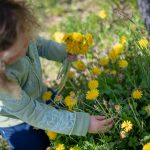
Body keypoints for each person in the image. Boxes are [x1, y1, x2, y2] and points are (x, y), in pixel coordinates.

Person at [0, 0, 114, 150]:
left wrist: (63, 52)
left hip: (41, 95)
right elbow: (32, 112)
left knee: (69, 113)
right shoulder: (4, 82)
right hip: (15, 120)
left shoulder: (21, 34)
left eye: (26, 41)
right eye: (16, 55)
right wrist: (83, 124)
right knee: (37, 145)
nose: (26, 47)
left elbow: (40, 44)